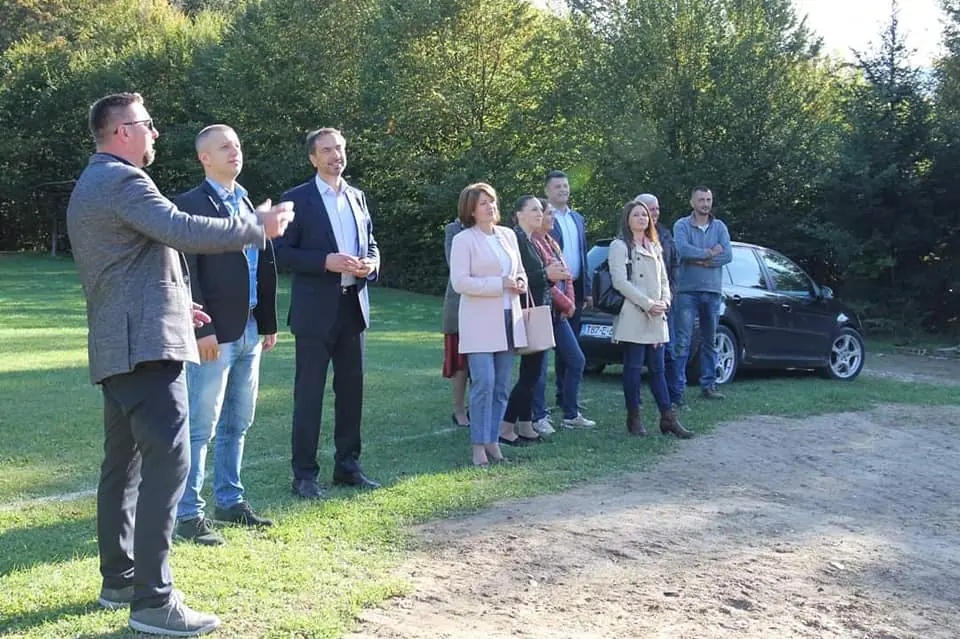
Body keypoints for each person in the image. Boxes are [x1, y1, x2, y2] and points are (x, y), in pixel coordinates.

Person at [66, 92, 293, 637]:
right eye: (147, 124)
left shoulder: (93, 182)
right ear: (122, 131)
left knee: (123, 469)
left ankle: (121, 581)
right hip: (145, 349)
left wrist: (177, 302)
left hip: (121, 346)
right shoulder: (123, 181)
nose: (155, 133)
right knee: (169, 465)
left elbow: (127, 266)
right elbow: (183, 228)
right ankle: (154, 601)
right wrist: (255, 226)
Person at [173, 125, 278, 547]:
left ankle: (230, 502)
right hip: (214, 333)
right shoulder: (189, 205)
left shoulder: (247, 201)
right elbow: (187, 271)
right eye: (224, 147)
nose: (235, 152)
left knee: (238, 422)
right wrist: (204, 329)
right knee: (201, 426)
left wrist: (266, 322)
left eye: (236, 145)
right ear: (205, 158)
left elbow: (261, 264)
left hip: (250, 329)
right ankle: (187, 513)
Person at [275, 127, 381, 499]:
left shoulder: (357, 197)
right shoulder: (296, 199)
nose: (336, 155)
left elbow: (371, 244)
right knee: (309, 395)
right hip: (315, 313)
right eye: (326, 150)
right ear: (313, 158)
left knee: (351, 393)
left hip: (354, 308)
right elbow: (281, 253)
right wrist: (325, 261)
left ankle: (348, 467)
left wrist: (371, 264)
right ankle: (304, 475)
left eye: (339, 148)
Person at [449, 183, 528, 467]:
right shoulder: (464, 240)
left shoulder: (508, 235)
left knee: (502, 385)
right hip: (479, 322)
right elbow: (460, 282)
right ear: (471, 209)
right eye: (483, 203)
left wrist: (520, 282)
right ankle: (478, 446)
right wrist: (500, 284)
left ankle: (493, 440)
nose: (490, 206)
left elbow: (519, 271)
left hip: (509, 318)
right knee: (484, 382)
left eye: (492, 201)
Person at [609, 201, 693, 439]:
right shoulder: (619, 246)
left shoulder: (655, 245)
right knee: (633, 368)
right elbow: (620, 282)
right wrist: (647, 304)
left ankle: (668, 417)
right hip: (634, 313)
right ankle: (634, 416)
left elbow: (664, 279)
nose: (642, 218)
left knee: (658, 368)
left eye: (644, 215)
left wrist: (665, 301)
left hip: (657, 315)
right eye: (636, 214)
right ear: (627, 219)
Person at [530, 199, 593, 434]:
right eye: (548, 214)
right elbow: (546, 281)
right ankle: (538, 416)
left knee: (576, 359)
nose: (551, 218)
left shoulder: (552, 243)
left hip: (558, 313)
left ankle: (570, 414)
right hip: (542, 310)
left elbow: (565, 276)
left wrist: (569, 303)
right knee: (539, 367)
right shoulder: (532, 244)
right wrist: (566, 303)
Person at [499, 196, 556, 445]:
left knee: (533, 371)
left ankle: (525, 424)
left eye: (541, 209)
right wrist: (547, 274)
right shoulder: (515, 239)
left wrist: (549, 276)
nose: (539, 213)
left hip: (537, 311)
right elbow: (517, 275)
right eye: (533, 209)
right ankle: (506, 426)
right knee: (530, 373)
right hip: (524, 312)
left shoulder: (530, 239)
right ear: (518, 214)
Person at [672, 186, 733, 401]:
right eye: (701, 200)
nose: (705, 204)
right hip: (686, 291)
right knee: (682, 341)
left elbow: (727, 255)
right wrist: (709, 253)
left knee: (710, 340)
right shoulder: (681, 225)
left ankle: (709, 385)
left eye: (708, 199)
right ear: (692, 202)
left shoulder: (720, 227)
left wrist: (701, 261)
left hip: (712, 291)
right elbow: (682, 250)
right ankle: (677, 390)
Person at [544, 170, 593, 427]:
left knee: (571, 348)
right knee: (560, 349)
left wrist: (587, 290)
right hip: (554, 290)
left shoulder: (577, 218)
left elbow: (582, 254)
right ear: (547, 191)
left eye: (565, 185)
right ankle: (557, 401)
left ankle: (567, 397)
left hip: (576, 289)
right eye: (557, 186)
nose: (563, 190)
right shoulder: (545, 218)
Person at [634, 193, 685, 410]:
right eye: (650, 209)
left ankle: (674, 398)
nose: (654, 213)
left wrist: (668, 297)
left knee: (668, 350)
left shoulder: (665, 235)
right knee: (636, 357)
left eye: (656, 209)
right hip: (638, 305)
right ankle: (635, 403)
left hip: (663, 305)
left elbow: (673, 268)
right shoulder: (627, 239)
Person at [442, 217, 470, 428]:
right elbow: (457, 266)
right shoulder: (454, 230)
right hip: (459, 305)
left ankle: (478, 408)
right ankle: (459, 410)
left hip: (487, 307)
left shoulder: (495, 231)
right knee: (461, 363)